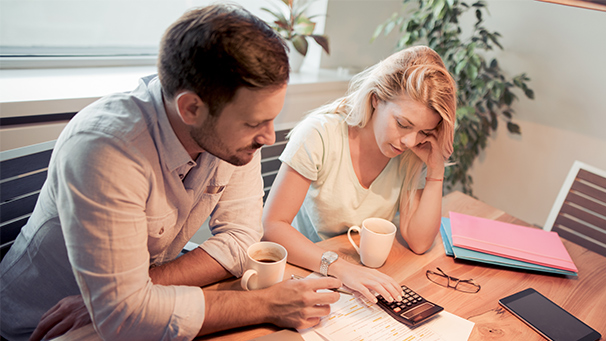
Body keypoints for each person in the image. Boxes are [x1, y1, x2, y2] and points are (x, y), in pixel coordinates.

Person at [0, 5, 341, 341]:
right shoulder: (106, 150)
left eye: (271, 119)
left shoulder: (230, 138)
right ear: (191, 108)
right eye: (254, 123)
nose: (268, 138)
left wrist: (139, 291)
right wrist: (264, 304)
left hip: (114, 313)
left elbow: (242, 238)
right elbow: (125, 317)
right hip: (42, 327)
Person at [262, 45, 456, 304]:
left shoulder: (409, 153)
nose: (410, 140)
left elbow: (419, 242)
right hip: (303, 273)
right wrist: (341, 268)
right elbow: (273, 227)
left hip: (361, 278)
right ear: (376, 98)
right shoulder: (319, 134)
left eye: (424, 131)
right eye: (402, 124)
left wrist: (436, 168)